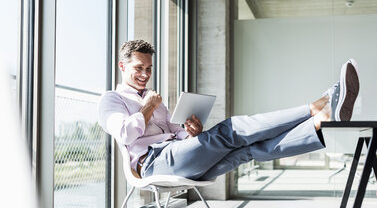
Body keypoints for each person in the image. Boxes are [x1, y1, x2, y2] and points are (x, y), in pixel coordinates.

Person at [98, 39, 360, 181]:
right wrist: (148, 107)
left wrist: (192, 132)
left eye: (149, 68)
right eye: (138, 69)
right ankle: (315, 108)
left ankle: (321, 121)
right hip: (155, 164)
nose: (145, 74)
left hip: (181, 157)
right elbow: (124, 133)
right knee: (230, 130)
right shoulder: (111, 100)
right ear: (122, 67)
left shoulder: (156, 101)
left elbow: (176, 135)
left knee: (247, 151)